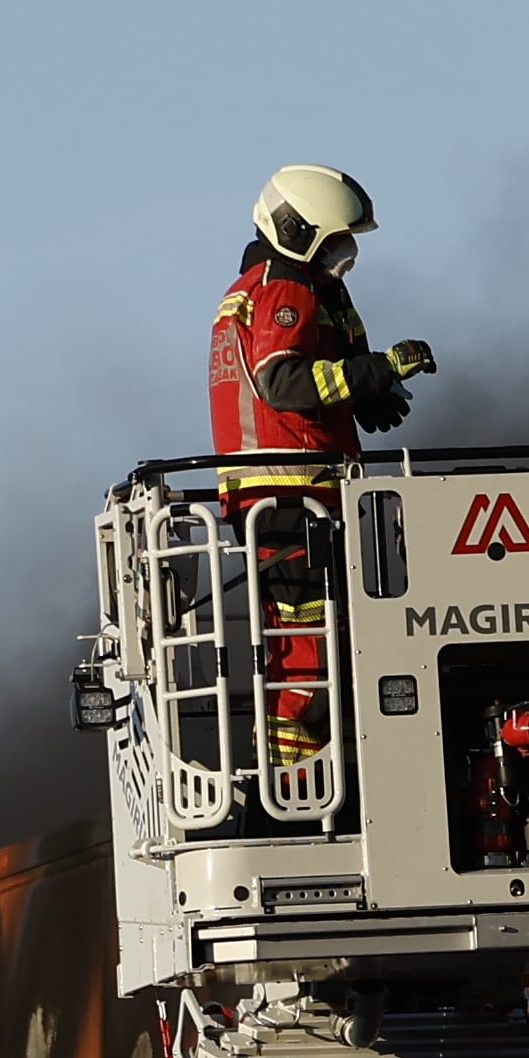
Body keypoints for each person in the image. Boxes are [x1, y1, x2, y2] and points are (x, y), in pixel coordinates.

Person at [209, 165, 433, 779]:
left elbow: (312, 377)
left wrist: (368, 393)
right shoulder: (288, 290)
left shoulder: (257, 288)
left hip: (279, 493)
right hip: (293, 492)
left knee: (306, 644)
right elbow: (284, 382)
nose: (347, 253)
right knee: (311, 651)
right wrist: (381, 369)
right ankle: (296, 784)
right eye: (336, 239)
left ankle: (308, 775)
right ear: (298, 230)